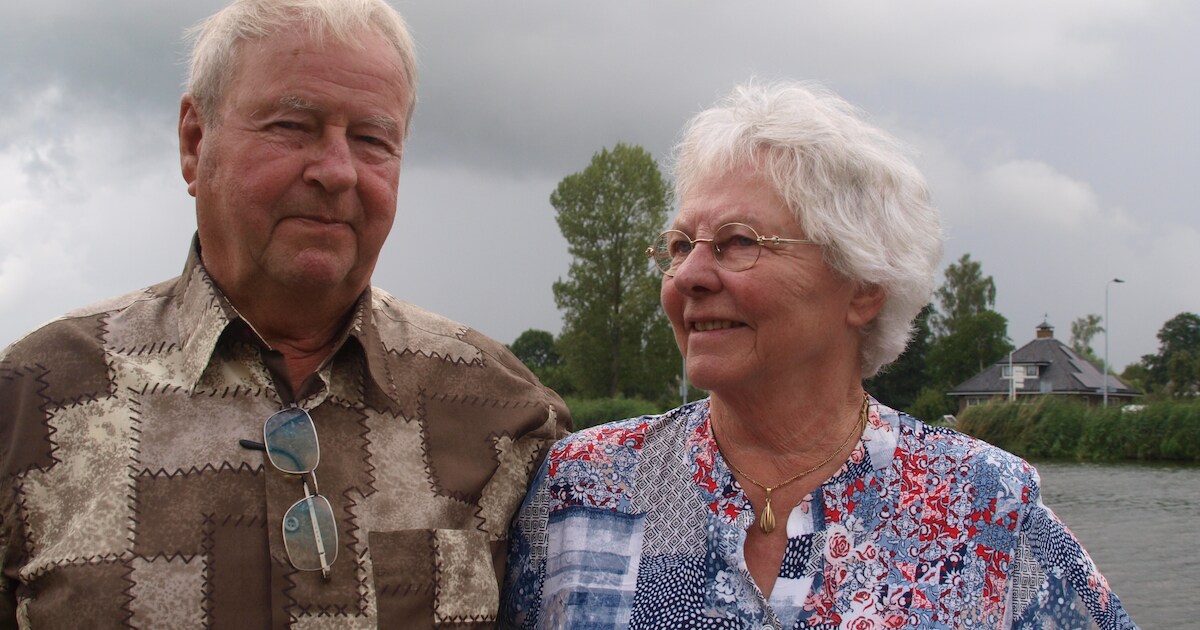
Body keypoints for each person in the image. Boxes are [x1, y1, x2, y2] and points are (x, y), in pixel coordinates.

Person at [0, 1, 569, 627]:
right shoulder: (32, 400)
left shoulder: (505, 417)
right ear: (194, 142)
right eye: (292, 126)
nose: (336, 171)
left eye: (372, 139)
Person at [501, 81, 1137, 629]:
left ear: (862, 288)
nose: (687, 275)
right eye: (679, 245)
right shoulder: (581, 485)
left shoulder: (986, 505)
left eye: (738, 241)